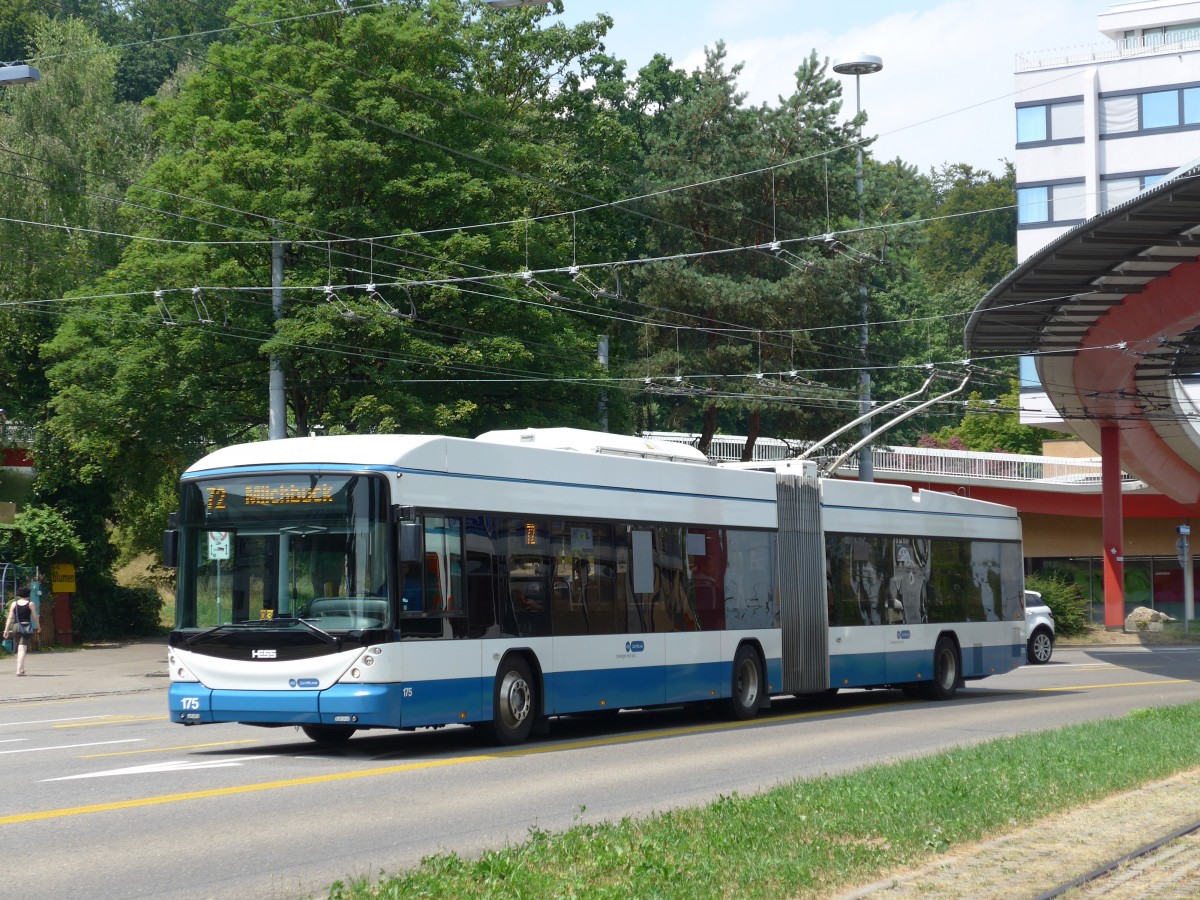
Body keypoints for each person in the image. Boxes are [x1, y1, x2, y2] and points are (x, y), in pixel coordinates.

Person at [3, 586, 39, 676]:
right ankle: (19, 670)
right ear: (28, 594)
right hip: (26, 627)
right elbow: (35, 617)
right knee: (22, 649)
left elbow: (10, 617)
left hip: (16, 627)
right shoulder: (30, 604)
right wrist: (38, 626)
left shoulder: (14, 604)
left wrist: (6, 630)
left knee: (19, 648)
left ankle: (22, 669)